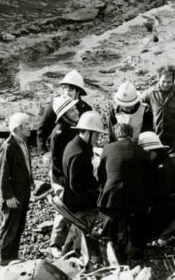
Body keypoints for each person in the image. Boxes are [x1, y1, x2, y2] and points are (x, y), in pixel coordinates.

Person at [97, 123, 150, 263]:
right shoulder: (141, 151)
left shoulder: (108, 148)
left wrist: (104, 187)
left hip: (112, 195)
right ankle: (136, 257)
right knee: (137, 228)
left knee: (110, 230)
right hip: (136, 197)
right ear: (132, 135)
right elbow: (147, 177)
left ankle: (111, 259)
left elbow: (101, 174)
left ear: (116, 134)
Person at [62, 111, 106, 262]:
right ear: (88, 132)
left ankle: (67, 250)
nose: (98, 138)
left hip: (71, 198)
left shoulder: (76, 144)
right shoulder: (79, 153)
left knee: (78, 226)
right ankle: (86, 255)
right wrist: (97, 197)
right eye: (97, 135)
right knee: (96, 223)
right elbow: (77, 186)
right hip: (78, 203)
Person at [0, 113, 34, 267]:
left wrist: (31, 182)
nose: (30, 127)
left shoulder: (23, 142)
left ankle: (13, 256)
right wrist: (8, 196)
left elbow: (26, 165)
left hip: (23, 191)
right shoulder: (8, 147)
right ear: (18, 128)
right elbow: (2, 175)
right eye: (27, 124)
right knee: (9, 226)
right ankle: (2, 259)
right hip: (13, 195)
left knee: (19, 225)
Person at [136, 131, 175, 242]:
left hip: (172, 208)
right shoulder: (164, 161)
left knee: (140, 230)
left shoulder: (163, 167)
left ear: (151, 152)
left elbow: (160, 195)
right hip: (171, 204)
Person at [140, 65, 175, 161]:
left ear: (173, 81)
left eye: (169, 82)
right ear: (159, 79)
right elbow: (137, 105)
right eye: (163, 81)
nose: (166, 84)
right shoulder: (150, 93)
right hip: (155, 140)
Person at [47, 96, 79, 258]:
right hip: (62, 177)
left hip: (70, 175)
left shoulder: (72, 127)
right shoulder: (59, 133)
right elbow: (57, 161)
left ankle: (70, 241)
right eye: (72, 110)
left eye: (75, 109)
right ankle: (55, 244)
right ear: (64, 114)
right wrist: (65, 180)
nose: (76, 112)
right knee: (63, 209)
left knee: (73, 207)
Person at [36, 69, 92, 152]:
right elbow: (42, 128)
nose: (67, 92)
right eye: (65, 88)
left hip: (79, 150)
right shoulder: (55, 105)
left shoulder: (85, 108)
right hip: (59, 149)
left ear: (78, 91)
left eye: (70, 89)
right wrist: (43, 152)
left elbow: (89, 132)